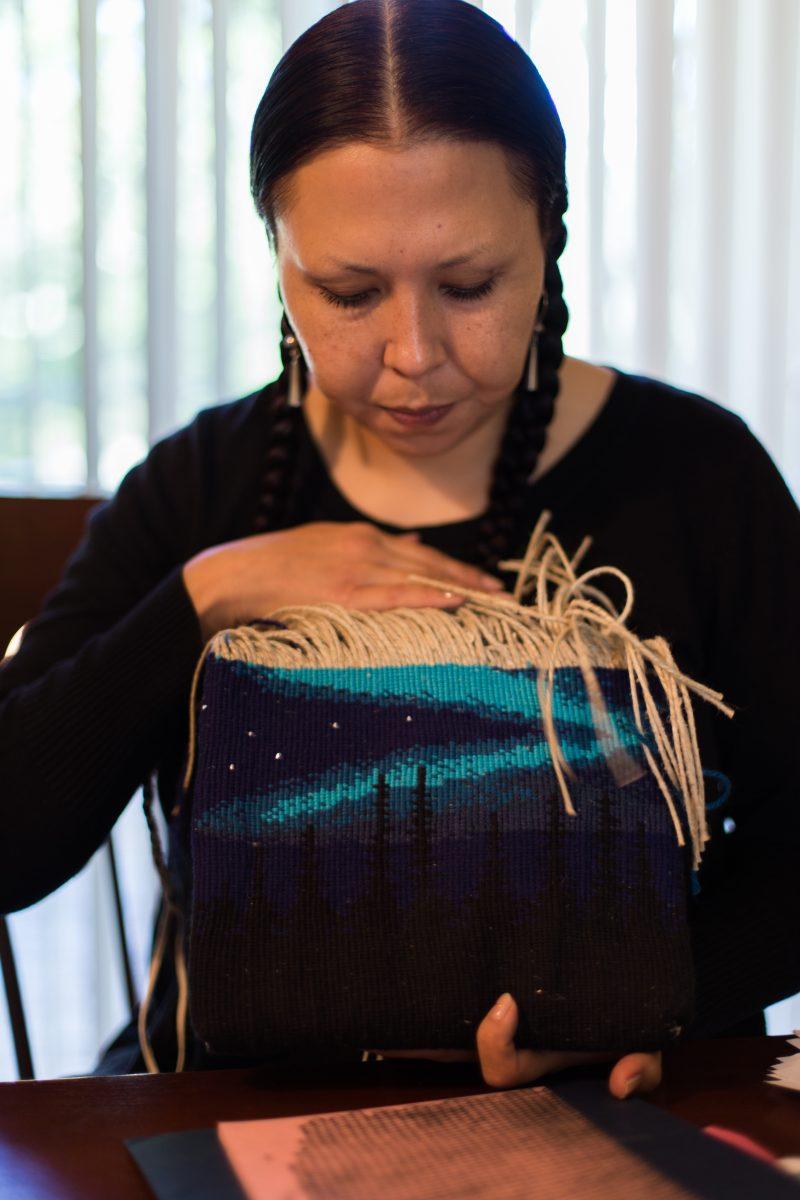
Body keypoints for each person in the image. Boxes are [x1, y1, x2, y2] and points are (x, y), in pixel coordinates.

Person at [1, 0, 798, 1094]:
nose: (413, 355)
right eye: (347, 293)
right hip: (226, 1117)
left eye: (468, 287)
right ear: (277, 264)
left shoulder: (696, 477)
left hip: (610, 1110)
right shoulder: (203, 488)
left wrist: (655, 1001)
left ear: (547, 242)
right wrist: (210, 594)